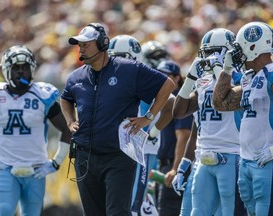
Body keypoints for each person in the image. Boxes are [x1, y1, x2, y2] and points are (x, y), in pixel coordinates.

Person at [60, 23, 175, 216]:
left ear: (102, 44)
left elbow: (167, 85)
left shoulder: (128, 69)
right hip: (84, 156)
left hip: (118, 155)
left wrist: (148, 117)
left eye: (86, 44)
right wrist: (70, 121)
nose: (81, 49)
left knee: (117, 212)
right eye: (79, 45)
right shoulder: (75, 76)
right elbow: (65, 99)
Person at [172, 28, 246, 216]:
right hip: (204, 157)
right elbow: (179, 113)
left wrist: (221, 71)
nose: (210, 57)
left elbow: (227, 95)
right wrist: (190, 79)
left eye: (215, 52)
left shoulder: (242, 78)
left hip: (233, 156)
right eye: (207, 52)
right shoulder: (203, 83)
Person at [0, 45, 71, 216]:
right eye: (16, 68)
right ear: (7, 70)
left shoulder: (43, 95)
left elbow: (67, 128)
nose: (21, 72)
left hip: (36, 169)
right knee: (5, 211)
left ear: (32, 69)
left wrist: (56, 161)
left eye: (25, 68)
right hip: (5, 167)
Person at [212, 21, 273, 216]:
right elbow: (219, 102)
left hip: (270, 161)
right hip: (247, 161)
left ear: (253, 46)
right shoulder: (250, 78)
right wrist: (226, 70)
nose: (236, 54)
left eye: (239, 48)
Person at [107, 34, 174, 215]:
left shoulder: (143, 78)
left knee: (134, 204)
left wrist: (150, 125)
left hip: (141, 152)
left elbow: (170, 103)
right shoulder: (109, 79)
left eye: (118, 56)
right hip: (116, 150)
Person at [156, 60, 193, 216]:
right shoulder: (165, 97)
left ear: (177, 77)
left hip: (174, 164)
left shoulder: (180, 98)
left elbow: (183, 136)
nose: (161, 78)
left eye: (166, 75)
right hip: (164, 164)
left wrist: (175, 169)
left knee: (168, 210)